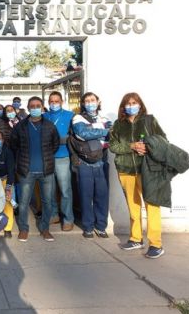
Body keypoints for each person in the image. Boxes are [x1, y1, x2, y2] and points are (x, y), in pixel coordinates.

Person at [109, 92, 167, 259]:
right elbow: (113, 146)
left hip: (147, 169)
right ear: (123, 107)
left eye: (134, 103)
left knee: (152, 206)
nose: (131, 106)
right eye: (128, 103)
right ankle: (136, 238)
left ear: (140, 104)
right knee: (133, 205)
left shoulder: (149, 120)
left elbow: (163, 140)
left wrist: (147, 147)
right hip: (126, 170)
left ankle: (156, 243)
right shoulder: (118, 125)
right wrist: (132, 146)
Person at [10, 96, 60, 242]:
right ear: (28, 107)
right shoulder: (20, 126)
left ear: (42, 107)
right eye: (32, 106)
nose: (35, 108)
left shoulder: (50, 125)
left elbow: (55, 144)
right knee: (24, 202)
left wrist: (47, 157)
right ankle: (24, 229)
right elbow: (14, 145)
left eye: (38, 105)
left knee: (47, 201)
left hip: (46, 170)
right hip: (27, 171)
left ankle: (45, 229)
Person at [71, 92, 111, 239]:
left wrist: (93, 130)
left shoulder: (105, 118)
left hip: (102, 162)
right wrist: (103, 132)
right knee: (86, 196)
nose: (90, 103)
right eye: (86, 101)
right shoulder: (78, 118)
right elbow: (82, 134)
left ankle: (101, 227)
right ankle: (88, 226)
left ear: (98, 101)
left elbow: (111, 138)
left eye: (92, 100)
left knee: (102, 196)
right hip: (85, 163)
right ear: (83, 103)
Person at [43, 91, 75, 231]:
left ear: (61, 102)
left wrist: (61, 140)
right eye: (51, 101)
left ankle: (68, 219)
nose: (54, 103)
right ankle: (54, 215)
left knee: (65, 190)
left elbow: (74, 135)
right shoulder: (43, 116)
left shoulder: (70, 116)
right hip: (47, 158)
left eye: (56, 101)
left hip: (63, 157)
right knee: (49, 190)